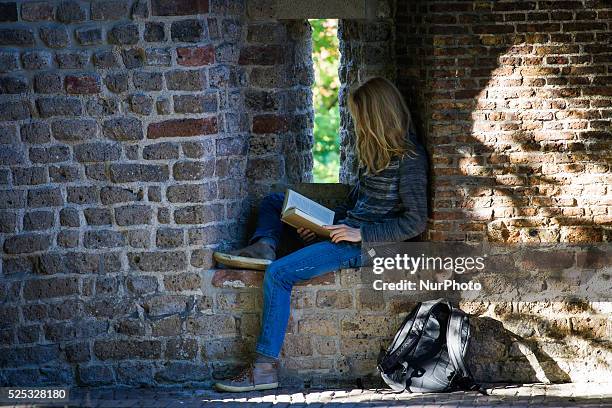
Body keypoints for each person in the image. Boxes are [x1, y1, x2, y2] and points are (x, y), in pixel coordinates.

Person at [213, 77, 429, 392]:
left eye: (361, 117)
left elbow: (415, 221)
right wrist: (318, 227)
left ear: (378, 116)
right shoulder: (372, 153)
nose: (358, 124)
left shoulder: (411, 159)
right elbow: (356, 205)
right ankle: (264, 246)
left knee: (279, 274)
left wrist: (360, 234)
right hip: (346, 232)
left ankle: (263, 369)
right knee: (276, 201)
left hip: (364, 247)